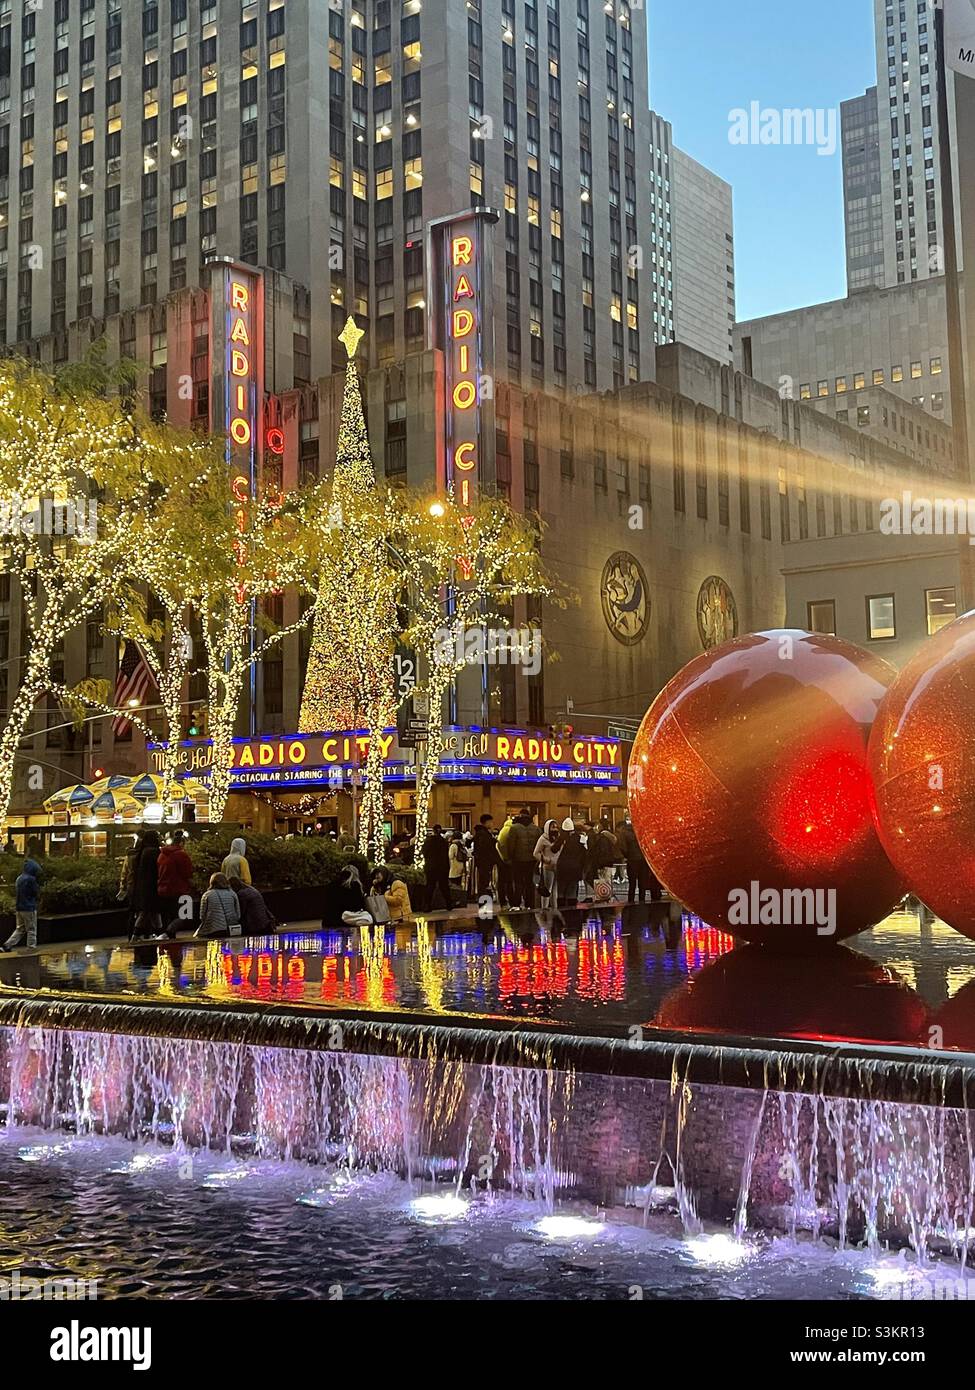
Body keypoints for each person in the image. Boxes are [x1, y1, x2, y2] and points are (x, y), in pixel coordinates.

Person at [157, 830, 194, 937]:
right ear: (182, 843)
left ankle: (170, 939)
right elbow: (187, 873)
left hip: (163, 890)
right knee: (186, 915)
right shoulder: (181, 855)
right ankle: (167, 933)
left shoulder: (162, 855)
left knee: (168, 916)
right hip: (179, 890)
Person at [1, 856, 42, 951]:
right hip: (29, 907)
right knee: (31, 929)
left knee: (20, 928)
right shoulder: (31, 879)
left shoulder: (19, 878)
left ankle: (7, 945)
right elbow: (35, 892)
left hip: (19, 907)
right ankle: (31, 948)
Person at [129, 829, 162, 940]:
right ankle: (137, 935)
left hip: (144, 887)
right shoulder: (153, 851)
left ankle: (158, 934)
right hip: (151, 887)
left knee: (152, 913)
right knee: (148, 912)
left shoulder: (143, 851)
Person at [508, 809, 542, 909]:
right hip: (531, 860)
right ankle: (530, 904)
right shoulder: (536, 829)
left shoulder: (514, 828)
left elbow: (511, 845)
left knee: (518, 882)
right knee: (529, 882)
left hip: (518, 860)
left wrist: (510, 857)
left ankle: (516, 904)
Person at [322, 864, 373, 929]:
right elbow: (356, 906)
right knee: (368, 917)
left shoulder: (333, 884)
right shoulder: (354, 885)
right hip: (343, 918)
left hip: (328, 920)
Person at [617, 813, 651, 904]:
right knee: (642, 883)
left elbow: (622, 847)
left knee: (632, 883)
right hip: (643, 860)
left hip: (632, 860)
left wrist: (627, 855)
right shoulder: (643, 831)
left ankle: (631, 901)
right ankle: (642, 901)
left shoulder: (624, 832)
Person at [194, 872, 241, 938]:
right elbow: (238, 915)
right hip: (231, 929)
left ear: (212, 882)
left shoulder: (207, 895)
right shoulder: (232, 893)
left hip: (212, 930)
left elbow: (202, 917)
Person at [554, 818, 587, 908]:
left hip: (562, 868)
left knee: (561, 891)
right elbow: (585, 854)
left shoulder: (562, 839)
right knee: (572, 890)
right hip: (575, 868)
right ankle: (572, 913)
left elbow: (553, 849)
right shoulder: (581, 838)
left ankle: (561, 912)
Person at [533, 818, 564, 908]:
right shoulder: (543, 839)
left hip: (557, 867)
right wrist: (547, 860)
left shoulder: (559, 838)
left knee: (554, 890)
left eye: (556, 827)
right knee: (547, 890)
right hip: (547, 867)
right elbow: (536, 853)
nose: (555, 829)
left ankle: (554, 908)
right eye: (552, 827)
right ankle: (544, 908)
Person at [422, 824, 451, 911]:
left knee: (430, 886)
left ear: (433, 831)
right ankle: (449, 904)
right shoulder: (444, 842)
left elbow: (424, 853)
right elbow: (446, 855)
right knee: (444, 886)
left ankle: (427, 905)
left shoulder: (428, 841)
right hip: (442, 867)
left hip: (431, 867)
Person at [473, 813, 501, 899]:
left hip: (482, 862)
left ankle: (484, 901)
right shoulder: (484, 835)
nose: (492, 824)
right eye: (491, 822)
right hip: (485, 862)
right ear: (487, 822)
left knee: (483, 882)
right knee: (484, 883)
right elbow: (486, 849)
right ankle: (484, 902)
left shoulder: (480, 834)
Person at [495, 814, 516, 908]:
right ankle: (511, 900)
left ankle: (502, 900)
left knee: (501, 881)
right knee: (509, 882)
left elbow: (499, 845)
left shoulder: (503, 830)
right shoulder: (511, 830)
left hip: (500, 859)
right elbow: (510, 846)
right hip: (507, 860)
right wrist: (507, 858)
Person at [448, 830, 470, 903]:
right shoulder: (461, 845)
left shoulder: (453, 845)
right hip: (461, 865)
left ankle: (455, 899)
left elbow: (450, 856)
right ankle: (460, 899)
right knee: (459, 883)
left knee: (453, 884)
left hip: (454, 866)